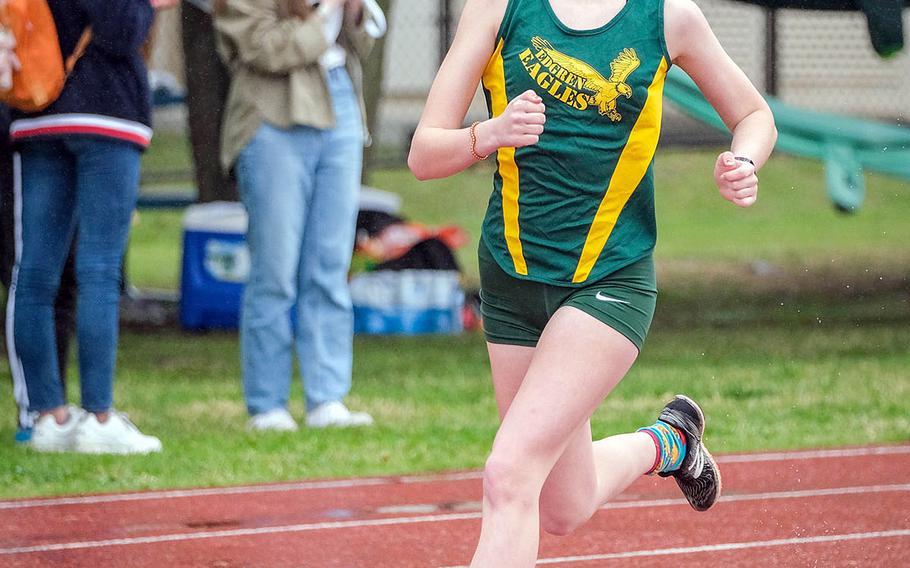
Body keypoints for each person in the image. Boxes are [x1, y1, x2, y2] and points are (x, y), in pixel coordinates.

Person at [408, 0, 777, 565]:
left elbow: (754, 116)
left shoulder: (667, 17)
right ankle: (669, 442)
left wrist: (744, 162)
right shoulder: (498, 9)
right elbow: (424, 154)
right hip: (511, 281)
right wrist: (489, 133)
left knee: (509, 475)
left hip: (609, 282)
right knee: (563, 507)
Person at [5, 0, 168, 454]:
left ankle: (48, 416)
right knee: (98, 269)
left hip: (38, 111)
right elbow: (121, 29)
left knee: (35, 272)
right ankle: (99, 416)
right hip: (105, 112)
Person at [215, 0, 387, 431]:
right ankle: (267, 404)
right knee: (274, 271)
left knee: (329, 265)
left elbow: (360, 42)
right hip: (273, 116)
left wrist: (353, 14)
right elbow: (265, 48)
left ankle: (327, 399)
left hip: (340, 105)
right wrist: (328, 11)